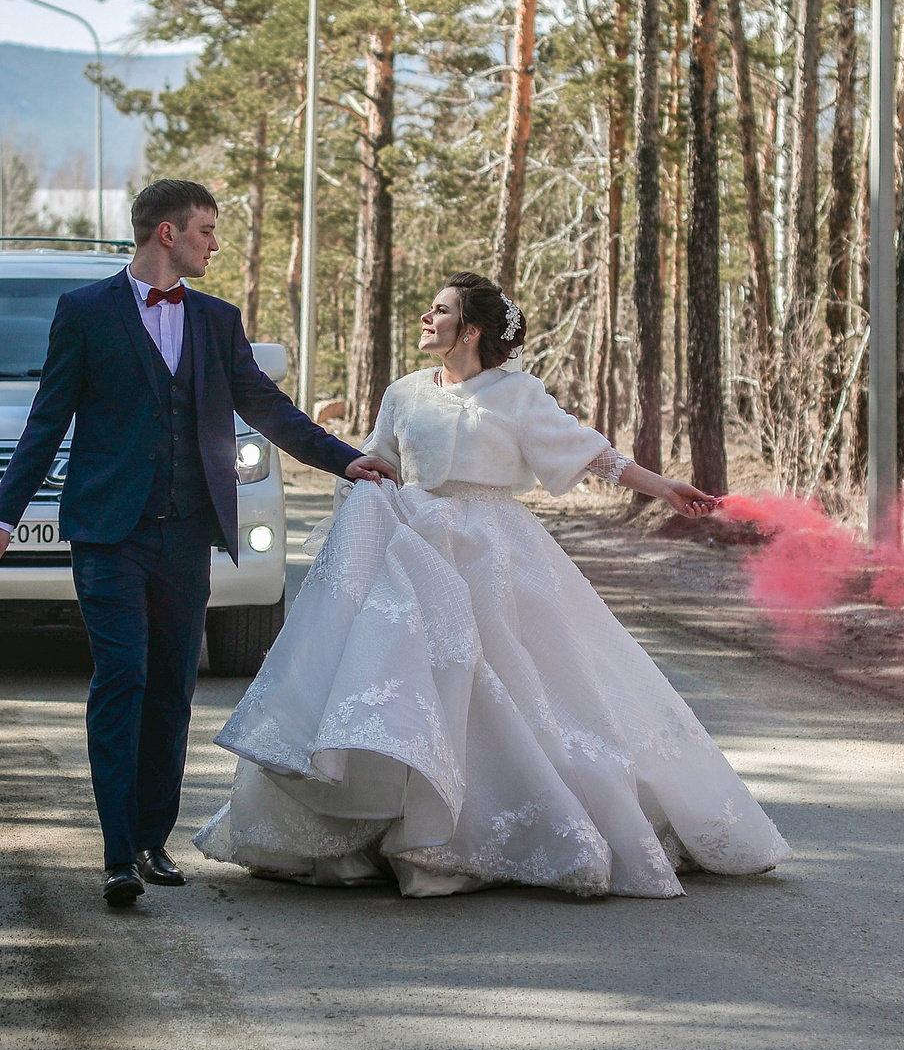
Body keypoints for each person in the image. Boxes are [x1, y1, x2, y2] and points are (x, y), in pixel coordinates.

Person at [196, 270, 790, 898]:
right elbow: (377, 459)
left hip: (494, 552)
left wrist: (663, 486)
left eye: (440, 311)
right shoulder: (403, 393)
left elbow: (591, 453)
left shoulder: (518, 395)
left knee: (517, 680)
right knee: (402, 681)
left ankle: (490, 826)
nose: (427, 319)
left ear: (470, 330)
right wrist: (361, 495)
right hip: (412, 547)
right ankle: (378, 825)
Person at [0, 179, 395, 907]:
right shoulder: (85, 313)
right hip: (108, 533)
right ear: (165, 233)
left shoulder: (216, 320)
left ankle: (150, 839)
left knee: (171, 688)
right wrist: (2, 519)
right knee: (122, 678)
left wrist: (343, 457)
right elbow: (47, 422)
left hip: (185, 533)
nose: (214, 242)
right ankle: (115, 854)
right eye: (205, 229)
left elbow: (267, 406)